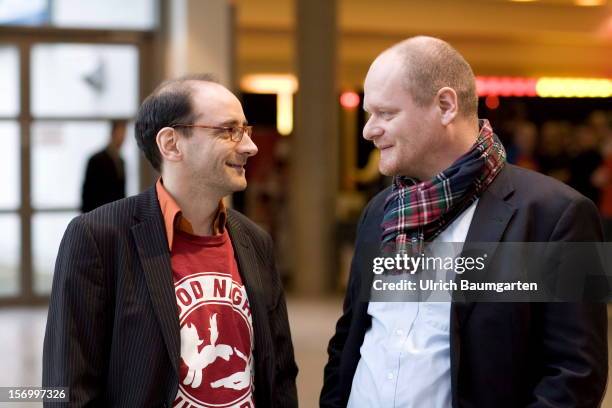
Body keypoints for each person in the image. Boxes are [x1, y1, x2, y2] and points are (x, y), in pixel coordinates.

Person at [320, 36, 607, 407]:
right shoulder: (381, 211)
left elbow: (575, 376)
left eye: (386, 114)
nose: (369, 130)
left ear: (445, 105)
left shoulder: (556, 215)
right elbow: (350, 339)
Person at [43, 74, 298, 408]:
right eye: (229, 130)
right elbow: (68, 389)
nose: (250, 146)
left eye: (246, 130)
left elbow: (278, 374)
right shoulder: (98, 238)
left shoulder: (255, 242)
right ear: (171, 144)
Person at [81, 119, 127, 212]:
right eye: (120, 133)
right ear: (113, 133)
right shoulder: (96, 160)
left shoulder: (121, 161)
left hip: (116, 215)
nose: (123, 138)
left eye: (124, 134)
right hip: (98, 214)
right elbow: (88, 193)